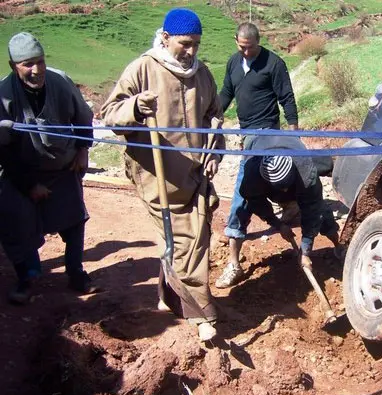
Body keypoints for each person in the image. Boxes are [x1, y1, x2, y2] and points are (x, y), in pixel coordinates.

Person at [100, 8, 224, 341]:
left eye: (197, 44)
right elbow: (109, 114)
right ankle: (200, 314)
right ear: (166, 38)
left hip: (195, 174)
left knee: (187, 235)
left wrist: (215, 151)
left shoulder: (203, 75)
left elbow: (215, 116)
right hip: (154, 173)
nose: (192, 51)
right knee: (187, 239)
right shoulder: (143, 68)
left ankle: (167, 298)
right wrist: (135, 108)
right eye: (185, 43)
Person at [0, 32, 96, 304]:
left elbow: (82, 117)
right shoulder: (3, 96)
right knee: (14, 219)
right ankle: (27, 277)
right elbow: (3, 150)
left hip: (63, 167)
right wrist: (29, 186)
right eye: (28, 64)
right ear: (13, 66)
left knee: (75, 217)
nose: (37, 69)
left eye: (40, 61)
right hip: (24, 173)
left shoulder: (60, 81)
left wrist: (82, 150)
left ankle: (76, 273)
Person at [216, 22, 300, 289]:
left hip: (267, 133)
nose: (245, 52)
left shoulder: (273, 63)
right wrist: (214, 115)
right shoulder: (233, 62)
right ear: (236, 42)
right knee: (260, 182)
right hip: (246, 134)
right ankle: (288, 204)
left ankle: (234, 263)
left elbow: (286, 96)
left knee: (244, 191)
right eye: (241, 47)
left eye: (249, 47)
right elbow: (227, 92)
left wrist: (293, 129)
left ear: (258, 42)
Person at [237, 135, 343, 274]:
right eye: (281, 188)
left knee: (322, 213)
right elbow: (257, 203)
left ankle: (338, 245)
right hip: (261, 152)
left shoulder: (306, 169)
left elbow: (312, 210)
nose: (285, 191)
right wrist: (278, 224)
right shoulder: (252, 177)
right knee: (244, 207)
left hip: (296, 165)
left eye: (287, 186)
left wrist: (305, 250)